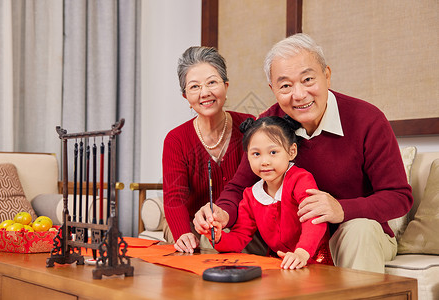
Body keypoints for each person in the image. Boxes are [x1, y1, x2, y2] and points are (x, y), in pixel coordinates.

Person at [194, 33, 413, 273]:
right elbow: (239, 187)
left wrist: (341, 209)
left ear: (327, 75)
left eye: (308, 79)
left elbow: (399, 197)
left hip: (352, 234)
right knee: (219, 236)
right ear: (273, 89)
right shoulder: (269, 124)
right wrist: (221, 212)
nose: (298, 95)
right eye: (285, 85)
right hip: (290, 239)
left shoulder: (367, 120)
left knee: (359, 229)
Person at [207, 116, 333, 269]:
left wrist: (301, 253)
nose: (264, 161)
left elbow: (314, 219)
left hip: (313, 261)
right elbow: (240, 236)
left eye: (273, 152)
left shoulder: (301, 180)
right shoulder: (251, 195)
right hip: (277, 265)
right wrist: (219, 237)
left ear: (292, 151)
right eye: (256, 154)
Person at [162, 46, 254, 253]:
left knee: (231, 240)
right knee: (200, 243)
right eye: (194, 87)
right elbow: (174, 198)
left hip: (242, 222)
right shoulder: (176, 140)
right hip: (194, 225)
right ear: (185, 96)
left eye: (212, 82)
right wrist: (182, 232)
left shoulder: (251, 127)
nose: (205, 93)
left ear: (226, 86)